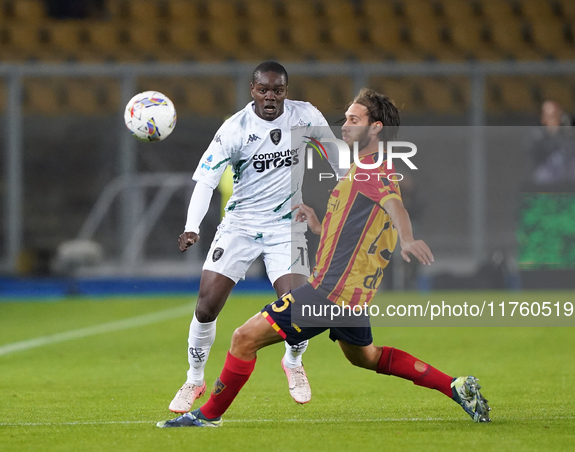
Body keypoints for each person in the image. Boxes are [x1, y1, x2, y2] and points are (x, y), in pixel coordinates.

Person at [158, 88, 492, 428]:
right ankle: (455, 386)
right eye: (344, 117)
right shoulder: (359, 168)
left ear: (375, 128)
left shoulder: (372, 170)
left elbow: (395, 204)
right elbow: (356, 225)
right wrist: (318, 224)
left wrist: (407, 239)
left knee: (244, 338)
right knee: (368, 356)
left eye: (353, 119)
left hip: (329, 292)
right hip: (350, 298)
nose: (343, 125)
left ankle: (207, 416)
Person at [168, 61, 346, 413]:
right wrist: (193, 226)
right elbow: (205, 181)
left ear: (285, 91)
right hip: (240, 226)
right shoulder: (234, 129)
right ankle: (194, 378)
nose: (270, 97)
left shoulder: (304, 116)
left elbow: (336, 158)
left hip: (286, 225)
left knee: (300, 309)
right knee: (206, 306)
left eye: (277, 90)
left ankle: (293, 363)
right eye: (263, 90)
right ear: (252, 90)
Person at [528, 100, 575, 185]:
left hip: (569, 181)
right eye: (549, 116)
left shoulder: (569, 135)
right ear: (543, 118)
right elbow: (534, 153)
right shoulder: (538, 136)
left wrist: (572, 137)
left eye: (555, 115)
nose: (553, 120)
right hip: (546, 181)